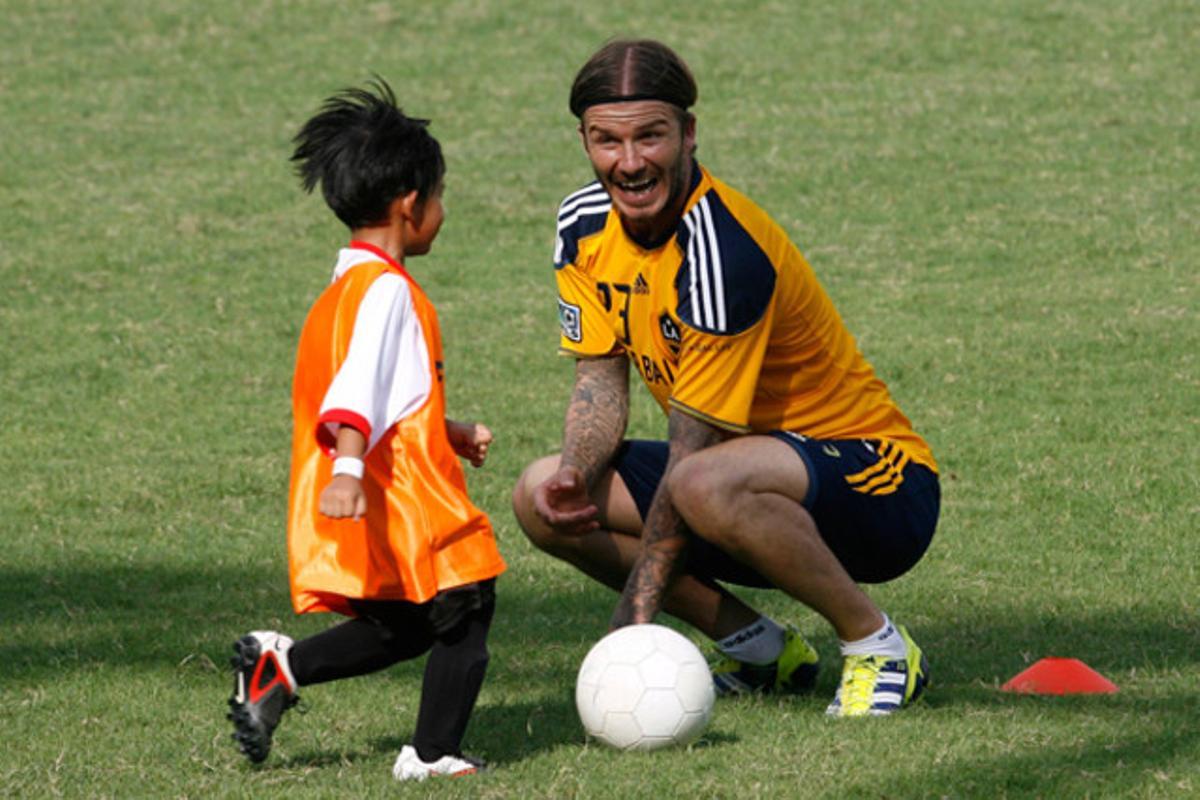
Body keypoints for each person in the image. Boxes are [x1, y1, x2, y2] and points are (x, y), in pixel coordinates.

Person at [512, 40, 940, 717]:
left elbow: (694, 455)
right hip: (739, 481)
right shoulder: (582, 224)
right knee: (539, 495)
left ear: (688, 133)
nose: (629, 163)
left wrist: (630, 633)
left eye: (650, 136)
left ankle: (878, 646)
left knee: (701, 482)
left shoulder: (720, 251)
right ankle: (761, 650)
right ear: (584, 141)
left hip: (878, 489)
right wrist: (575, 471)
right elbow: (600, 378)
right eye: (607, 141)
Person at [227, 79, 506, 780]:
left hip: (385, 484)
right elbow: (355, 395)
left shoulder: (344, 286)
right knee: (467, 605)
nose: (443, 212)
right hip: (407, 497)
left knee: (408, 625)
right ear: (410, 205)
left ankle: (279, 668)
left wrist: (449, 427)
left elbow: (389, 392)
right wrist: (348, 469)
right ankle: (432, 755)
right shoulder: (386, 292)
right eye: (439, 197)